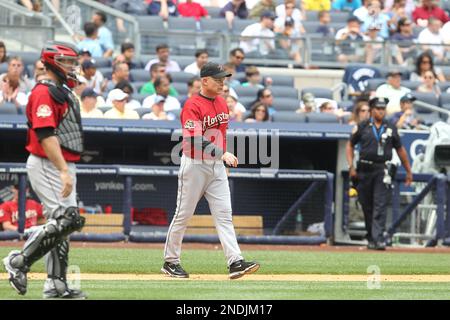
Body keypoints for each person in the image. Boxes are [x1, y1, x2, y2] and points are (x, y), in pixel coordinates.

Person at [2, 41, 87, 299]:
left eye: (74, 62)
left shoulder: (59, 90)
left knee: (62, 225)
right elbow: (45, 134)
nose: (72, 67)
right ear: (53, 62)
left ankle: (56, 285)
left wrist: (65, 168)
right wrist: (62, 170)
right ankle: (18, 261)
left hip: (60, 163)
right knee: (68, 220)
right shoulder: (43, 92)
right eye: (68, 62)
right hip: (48, 163)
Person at [162, 62, 260, 279]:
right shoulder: (192, 105)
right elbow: (194, 139)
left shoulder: (222, 103)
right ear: (204, 81)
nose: (222, 84)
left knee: (224, 215)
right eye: (218, 79)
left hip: (216, 165)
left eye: (223, 79)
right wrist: (222, 154)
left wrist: (222, 162)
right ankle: (170, 261)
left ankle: (235, 262)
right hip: (195, 164)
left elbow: (221, 135)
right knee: (183, 215)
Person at [346, 97, 413, 250]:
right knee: (366, 204)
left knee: (380, 204)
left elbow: (400, 149)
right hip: (364, 169)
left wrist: (408, 170)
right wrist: (351, 166)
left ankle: (378, 238)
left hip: (382, 169)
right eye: (378, 108)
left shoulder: (390, 127)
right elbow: (350, 145)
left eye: (383, 108)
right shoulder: (362, 126)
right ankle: (371, 236)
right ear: (371, 110)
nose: (381, 111)